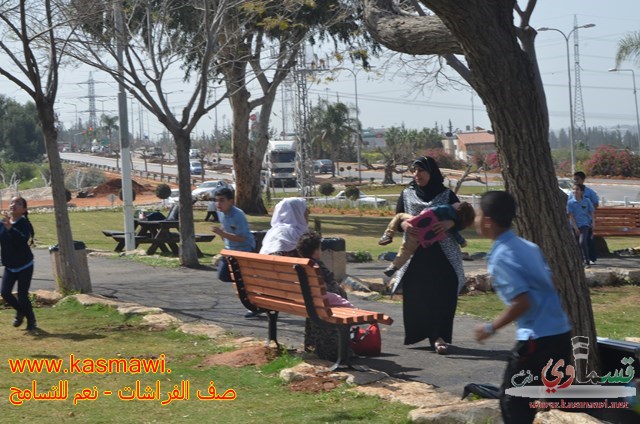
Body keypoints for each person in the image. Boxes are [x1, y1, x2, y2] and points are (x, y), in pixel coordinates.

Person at [473, 191, 571, 424]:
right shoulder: (528, 246)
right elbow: (553, 283)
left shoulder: (501, 256)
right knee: (546, 404)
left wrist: (490, 327)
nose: (475, 218)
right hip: (561, 334)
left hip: (537, 340)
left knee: (513, 402)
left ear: (488, 221)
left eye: (478, 213)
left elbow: (523, 302)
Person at [392, 156, 465, 355]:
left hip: (443, 254)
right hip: (417, 255)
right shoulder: (407, 194)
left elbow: (463, 216)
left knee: (443, 295)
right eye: (414, 171)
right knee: (419, 296)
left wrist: (450, 224)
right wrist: (405, 225)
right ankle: (423, 333)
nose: (417, 175)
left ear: (432, 173)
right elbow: (398, 218)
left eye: (422, 171)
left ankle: (439, 336)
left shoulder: (446, 194)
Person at [244, 197, 309, 318]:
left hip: (265, 286)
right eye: (305, 210)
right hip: (288, 288)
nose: (307, 214)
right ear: (296, 212)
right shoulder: (296, 233)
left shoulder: (273, 232)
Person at [296, 231, 354, 360]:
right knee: (343, 302)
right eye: (320, 248)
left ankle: (312, 346)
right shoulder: (315, 265)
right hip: (321, 302)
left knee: (317, 303)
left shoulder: (298, 264)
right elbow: (330, 284)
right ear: (316, 250)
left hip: (305, 302)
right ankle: (340, 349)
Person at [379, 202, 475, 277]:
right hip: (427, 237)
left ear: (458, 208)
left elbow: (432, 210)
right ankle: (394, 266)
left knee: (399, 216)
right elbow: (455, 234)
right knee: (406, 250)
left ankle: (388, 236)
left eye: (458, 203)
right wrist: (462, 242)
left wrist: (422, 214)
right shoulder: (456, 222)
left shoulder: (447, 208)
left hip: (416, 224)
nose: (455, 202)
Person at [0, 196, 37, 331]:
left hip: (24, 265)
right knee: (5, 293)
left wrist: (11, 229)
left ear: (24, 209)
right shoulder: (2, 223)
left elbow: (23, 241)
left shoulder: (24, 224)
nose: (13, 204)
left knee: (22, 295)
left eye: (18, 203)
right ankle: (21, 312)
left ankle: (31, 320)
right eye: (12, 202)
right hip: (10, 266)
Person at [211, 187, 255, 283]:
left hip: (243, 249)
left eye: (222, 200)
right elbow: (225, 225)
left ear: (231, 201)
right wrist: (222, 233)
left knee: (232, 276)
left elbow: (242, 238)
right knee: (222, 276)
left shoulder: (238, 215)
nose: (218, 203)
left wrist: (221, 233)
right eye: (216, 200)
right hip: (230, 249)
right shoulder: (220, 212)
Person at [570, 171, 599, 264]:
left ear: (583, 180)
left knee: (587, 240)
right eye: (574, 179)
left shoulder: (589, 192)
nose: (575, 181)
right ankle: (580, 259)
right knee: (577, 241)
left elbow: (595, 203)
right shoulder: (572, 193)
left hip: (586, 220)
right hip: (575, 221)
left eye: (577, 179)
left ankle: (591, 258)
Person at [566, 183, 595, 268]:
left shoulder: (586, 201)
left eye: (577, 189)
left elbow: (591, 212)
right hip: (574, 225)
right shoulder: (570, 202)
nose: (575, 191)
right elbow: (571, 216)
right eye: (574, 189)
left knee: (582, 241)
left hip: (585, 224)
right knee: (577, 244)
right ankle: (580, 261)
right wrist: (575, 228)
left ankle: (587, 260)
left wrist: (593, 222)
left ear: (582, 191)